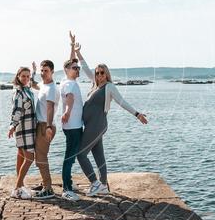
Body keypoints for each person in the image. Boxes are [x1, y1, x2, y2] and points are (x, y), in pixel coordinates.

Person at [69, 33, 148, 196]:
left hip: (98, 125)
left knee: (80, 154)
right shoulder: (95, 84)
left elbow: (122, 102)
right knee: (99, 156)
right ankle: (103, 185)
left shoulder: (109, 87)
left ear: (107, 74)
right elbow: (84, 68)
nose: (99, 75)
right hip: (92, 125)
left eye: (102, 73)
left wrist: (137, 114)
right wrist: (76, 52)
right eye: (97, 73)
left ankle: (95, 183)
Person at [30, 59, 59, 200]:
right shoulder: (43, 85)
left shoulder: (52, 88)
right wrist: (33, 72)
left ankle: (48, 189)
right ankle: (44, 183)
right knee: (39, 156)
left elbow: (50, 108)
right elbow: (32, 84)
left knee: (41, 157)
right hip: (41, 125)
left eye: (46, 70)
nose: (43, 73)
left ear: (52, 72)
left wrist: (48, 127)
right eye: (42, 70)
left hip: (45, 126)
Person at [8, 65, 37, 199]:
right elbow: (17, 110)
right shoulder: (19, 92)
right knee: (30, 158)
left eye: (28, 76)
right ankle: (17, 188)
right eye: (23, 76)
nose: (26, 78)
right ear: (18, 77)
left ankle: (20, 185)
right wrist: (12, 126)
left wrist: (34, 71)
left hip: (29, 128)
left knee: (21, 156)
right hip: (24, 129)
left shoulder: (27, 88)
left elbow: (31, 81)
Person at [59, 55, 85, 201]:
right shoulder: (70, 84)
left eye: (78, 68)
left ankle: (68, 183)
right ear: (66, 70)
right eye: (74, 68)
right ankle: (67, 189)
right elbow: (70, 98)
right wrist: (67, 112)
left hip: (71, 125)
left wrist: (73, 47)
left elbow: (69, 62)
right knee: (69, 157)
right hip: (73, 125)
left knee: (71, 155)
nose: (77, 70)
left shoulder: (65, 81)